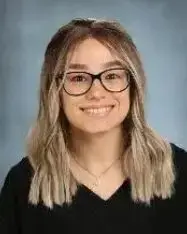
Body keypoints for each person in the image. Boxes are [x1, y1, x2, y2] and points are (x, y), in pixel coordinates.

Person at [0, 17, 187, 234]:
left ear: (133, 86)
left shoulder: (180, 172)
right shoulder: (23, 184)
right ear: (54, 91)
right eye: (78, 78)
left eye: (112, 75)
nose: (96, 92)